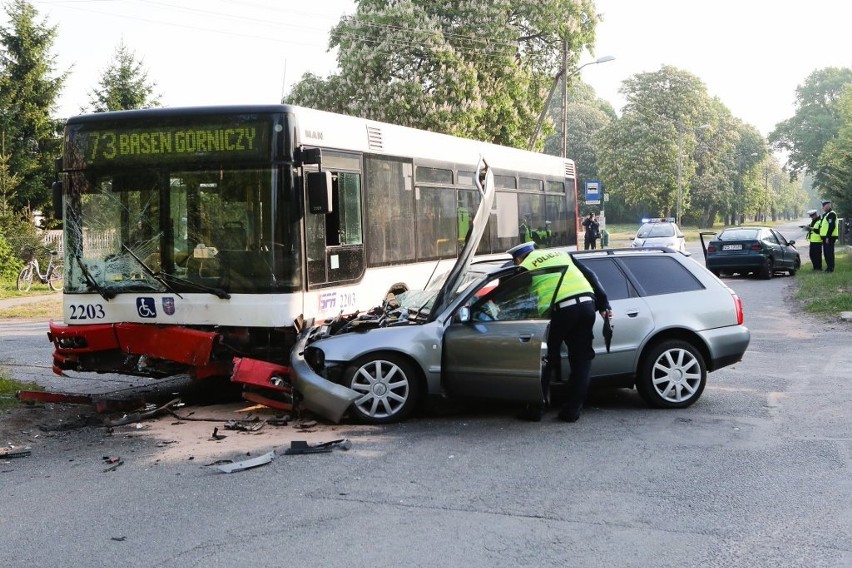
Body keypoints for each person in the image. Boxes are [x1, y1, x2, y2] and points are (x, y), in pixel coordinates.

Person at [507, 242, 613, 423]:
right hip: (588, 305)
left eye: (515, 262)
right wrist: (604, 305)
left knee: (546, 358)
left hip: (561, 311)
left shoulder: (525, 267)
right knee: (581, 360)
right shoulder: (561, 253)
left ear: (517, 258)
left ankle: (536, 409)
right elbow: (591, 275)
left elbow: (516, 298)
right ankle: (572, 411)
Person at [819, 200, 839, 273]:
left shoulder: (831, 214)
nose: (823, 207)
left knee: (829, 253)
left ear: (828, 206)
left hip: (830, 237)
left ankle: (831, 268)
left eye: (824, 206)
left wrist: (828, 236)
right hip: (825, 237)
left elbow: (831, 226)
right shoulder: (826, 214)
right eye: (823, 206)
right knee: (826, 253)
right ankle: (828, 267)